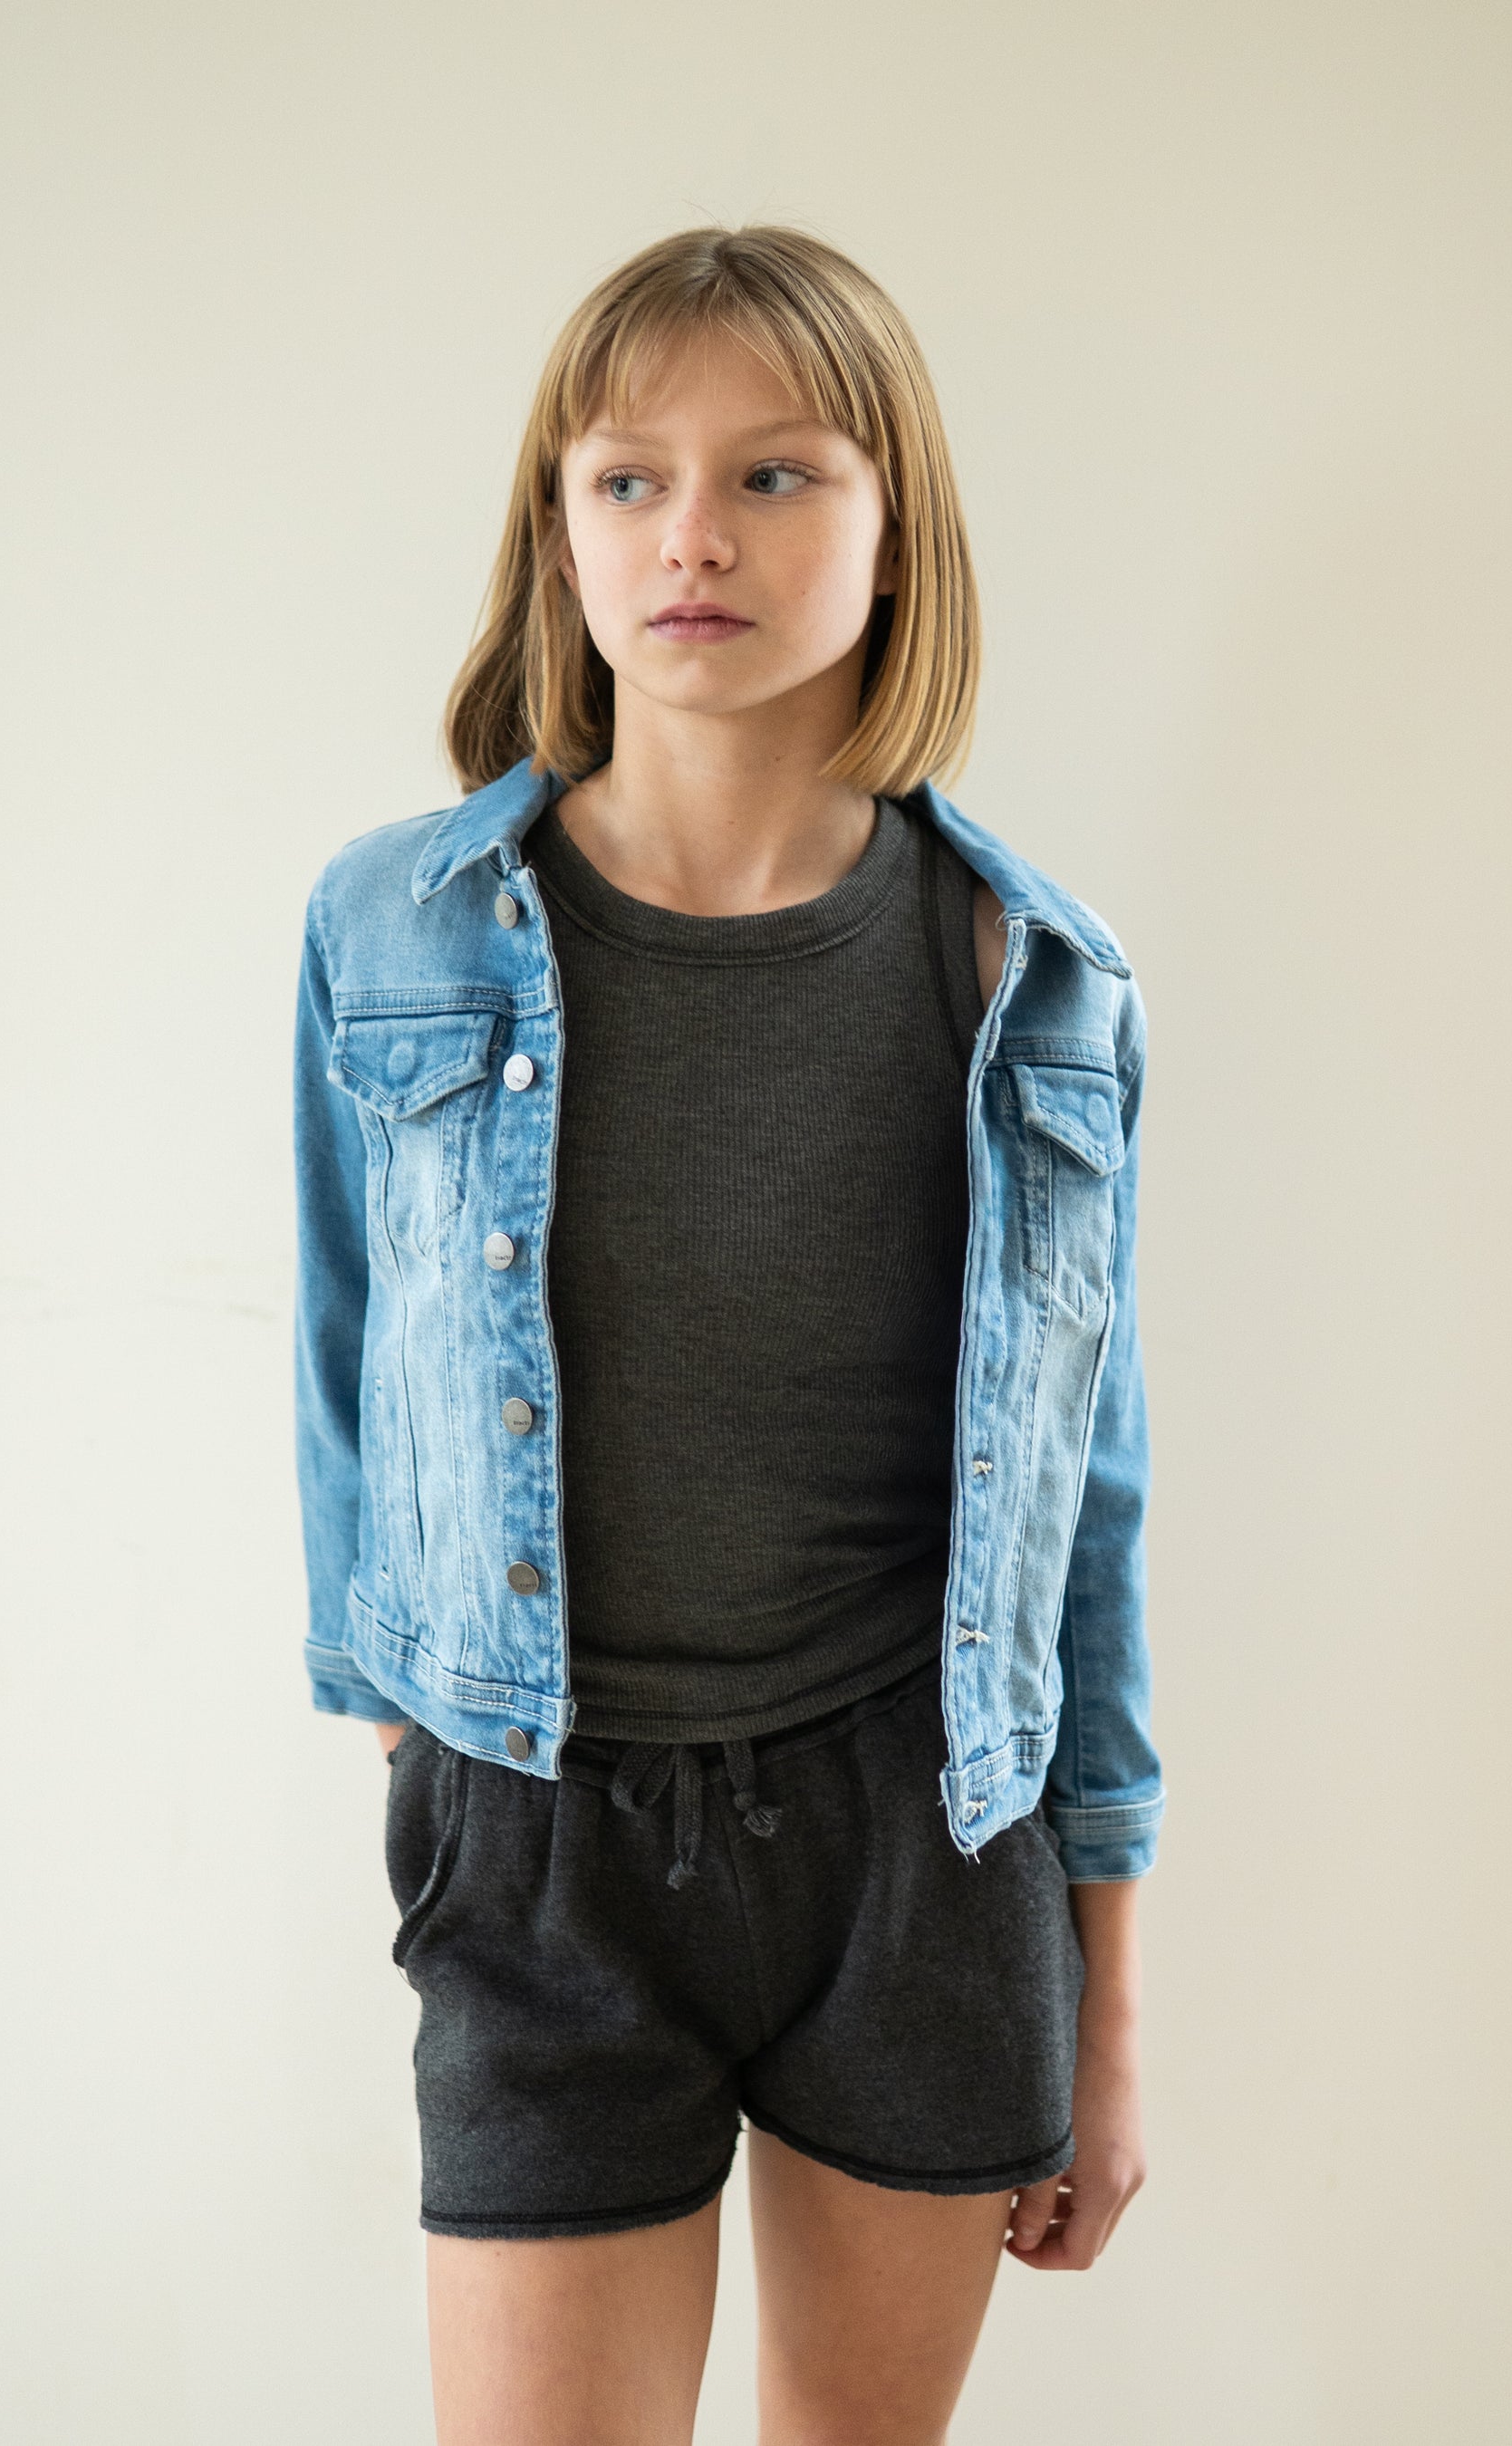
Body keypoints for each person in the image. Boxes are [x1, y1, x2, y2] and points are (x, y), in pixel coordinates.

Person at [292, 224, 1163, 2446]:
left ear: (897, 530)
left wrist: (1107, 2014)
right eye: (630, 478)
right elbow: (344, 1371)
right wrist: (427, 1773)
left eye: (776, 475)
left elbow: (1088, 1511)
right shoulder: (396, 930)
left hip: (923, 1844)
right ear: (559, 531)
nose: (694, 536)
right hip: (545, 1841)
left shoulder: (1033, 981)